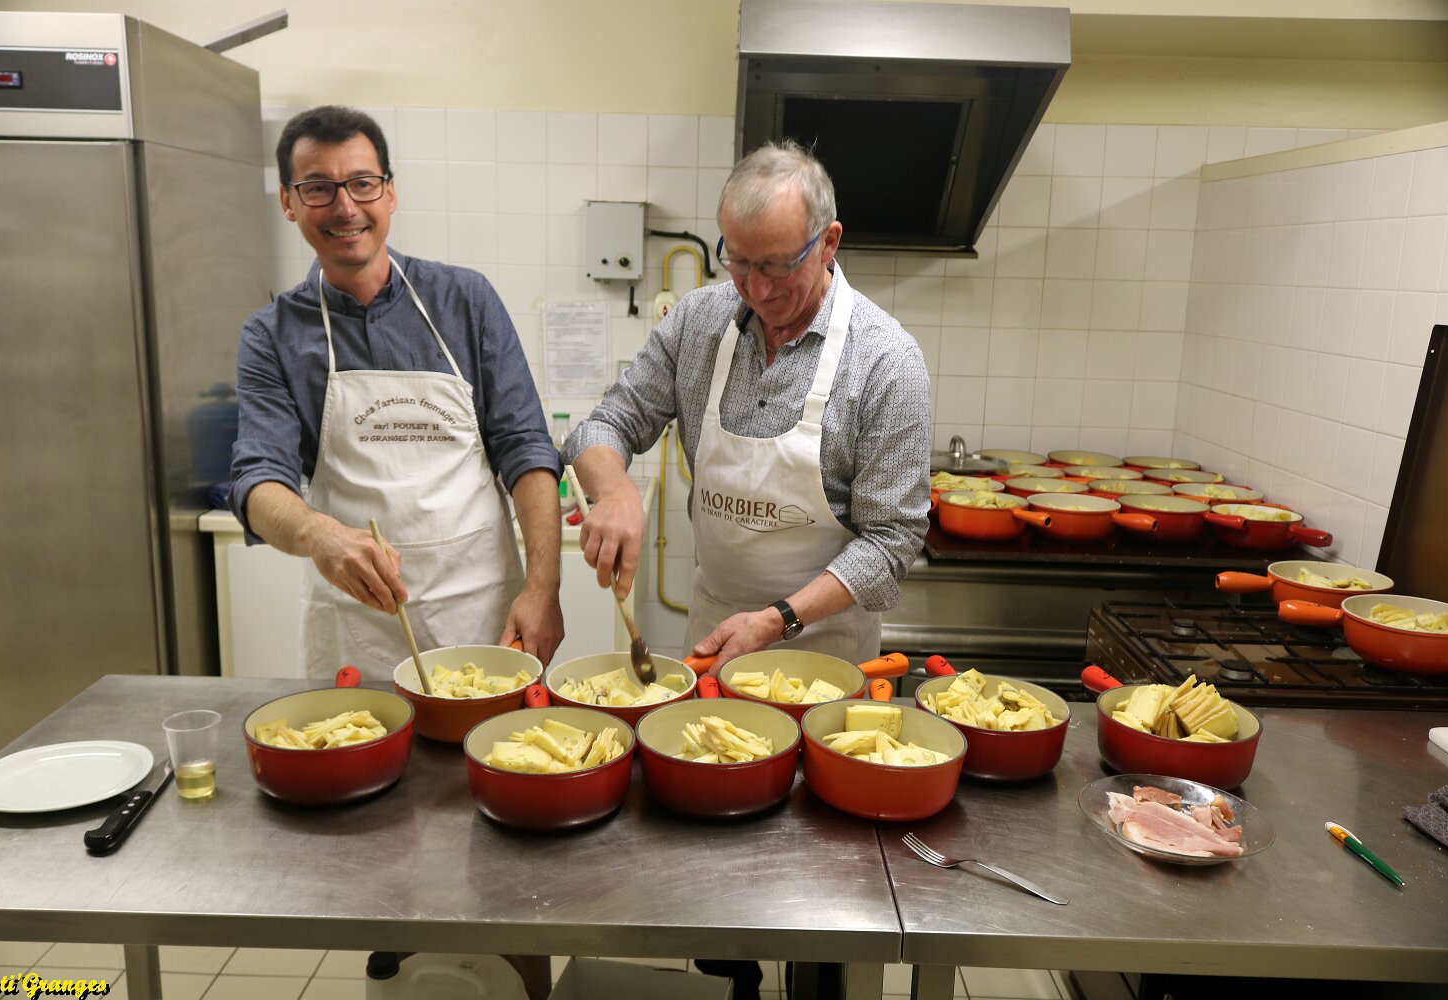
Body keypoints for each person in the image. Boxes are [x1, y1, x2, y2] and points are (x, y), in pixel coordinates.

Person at [562, 140, 931, 1000]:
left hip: (825, 659)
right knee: (716, 863)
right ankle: (731, 977)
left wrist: (780, 620)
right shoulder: (698, 324)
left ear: (829, 242)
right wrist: (613, 487)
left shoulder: (886, 362)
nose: (757, 290)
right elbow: (605, 423)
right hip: (712, 644)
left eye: (778, 266)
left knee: (821, 875)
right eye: (738, 263)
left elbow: (891, 543)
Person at [230, 105, 565, 681]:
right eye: (318, 188)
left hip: (482, 614)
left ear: (390, 193)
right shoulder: (272, 335)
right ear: (288, 201)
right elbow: (258, 480)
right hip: (356, 627)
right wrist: (318, 533)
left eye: (362, 183)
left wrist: (543, 587)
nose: (345, 207)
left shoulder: (465, 301)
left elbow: (525, 448)